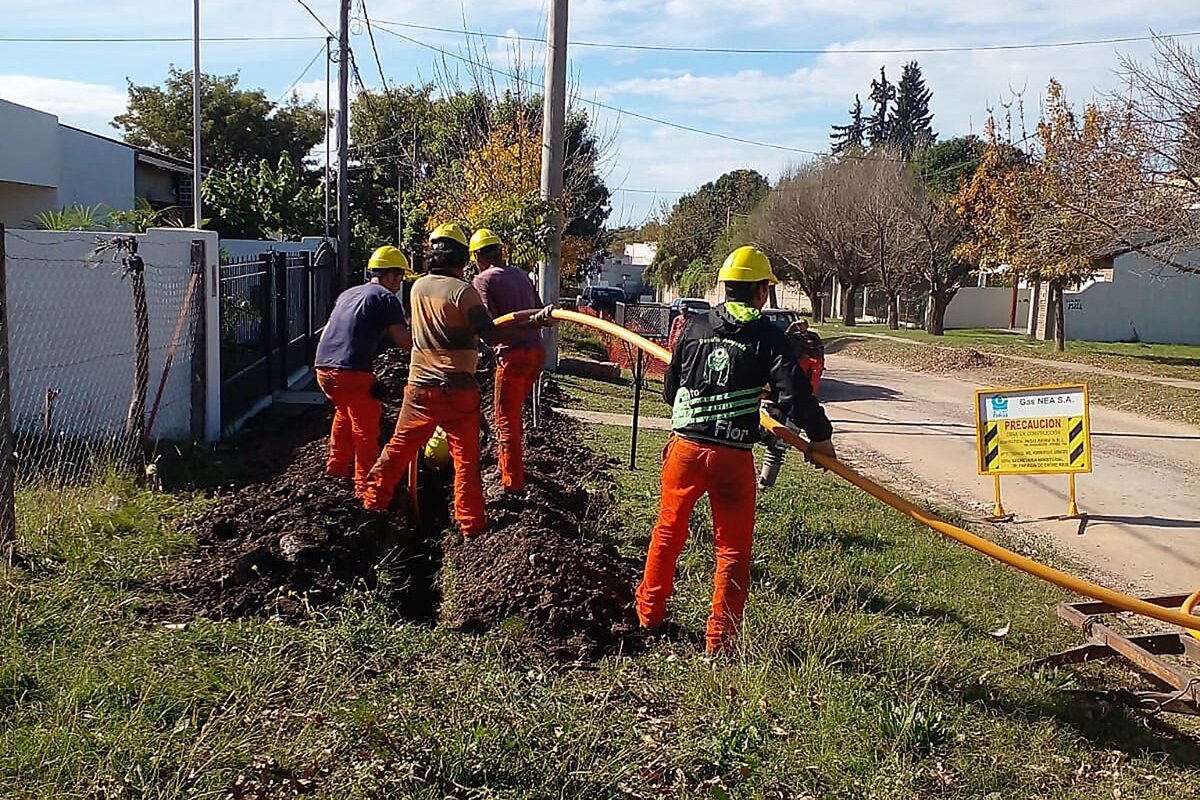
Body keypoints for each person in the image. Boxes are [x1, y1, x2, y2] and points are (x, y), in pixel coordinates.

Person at [636, 246, 836, 654]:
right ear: (762, 292)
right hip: (731, 457)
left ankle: (647, 616)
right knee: (732, 549)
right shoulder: (767, 337)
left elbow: (671, 390)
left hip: (686, 450)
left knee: (668, 532)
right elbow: (795, 395)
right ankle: (720, 640)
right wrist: (821, 438)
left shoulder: (693, 327)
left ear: (726, 288)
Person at [362, 224, 553, 535]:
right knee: (465, 461)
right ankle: (471, 525)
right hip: (458, 390)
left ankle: (372, 503)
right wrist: (534, 322)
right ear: (463, 257)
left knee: (398, 448)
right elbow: (490, 334)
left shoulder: (418, 288)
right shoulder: (464, 293)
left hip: (420, 388)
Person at [313, 246, 413, 498]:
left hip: (323, 368)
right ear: (390, 275)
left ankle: (336, 469)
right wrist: (430, 344)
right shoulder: (385, 298)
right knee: (367, 427)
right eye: (399, 277)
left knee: (344, 414)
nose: (399, 284)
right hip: (350, 371)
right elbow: (402, 341)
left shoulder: (349, 293)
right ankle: (364, 488)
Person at [470, 228, 547, 494]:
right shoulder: (521, 276)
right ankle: (511, 468)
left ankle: (511, 482)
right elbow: (540, 313)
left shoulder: (483, 280)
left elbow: (488, 328)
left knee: (504, 419)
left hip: (512, 356)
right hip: (536, 352)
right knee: (513, 415)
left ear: (477, 256)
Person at [787, 318, 826, 397]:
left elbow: (820, 347)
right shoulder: (794, 336)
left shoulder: (813, 335)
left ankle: (813, 394)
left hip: (814, 358)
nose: (801, 326)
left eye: (803, 324)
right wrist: (792, 326)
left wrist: (817, 356)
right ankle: (801, 392)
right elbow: (786, 336)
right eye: (799, 325)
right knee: (800, 375)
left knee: (815, 375)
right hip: (801, 359)